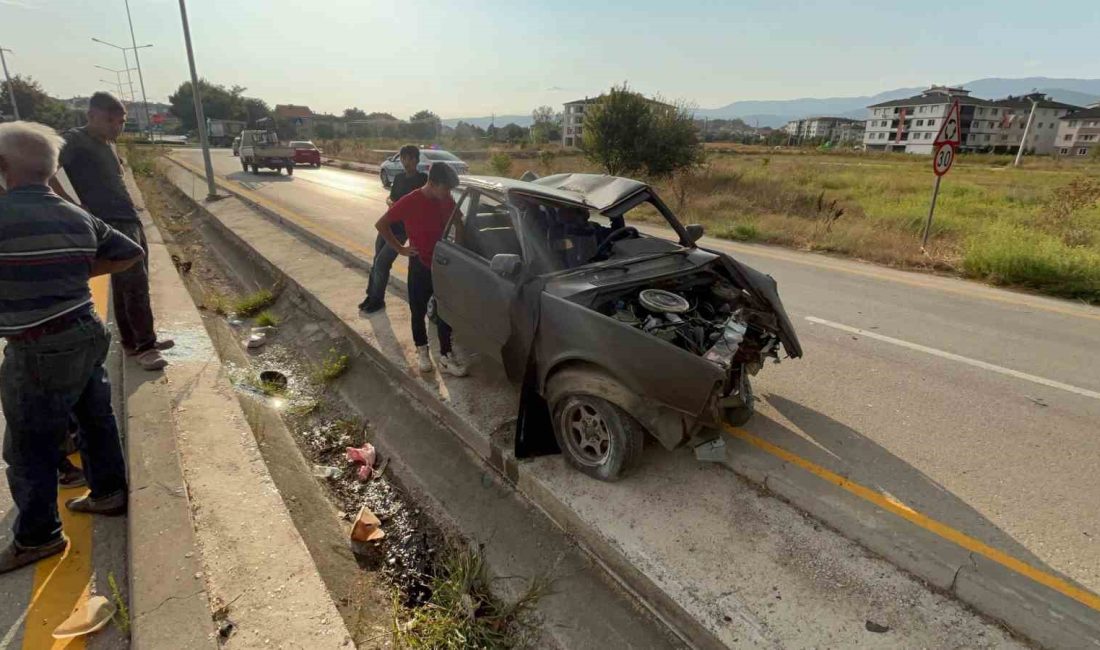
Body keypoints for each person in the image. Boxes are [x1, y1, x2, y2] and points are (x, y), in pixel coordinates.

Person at [0, 121, 140, 573]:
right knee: (95, 419)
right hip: (85, 330)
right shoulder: (76, 214)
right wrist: (77, 273)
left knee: (29, 447)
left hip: (38, 344)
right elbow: (129, 252)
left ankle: (38, 537)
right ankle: (109, 492)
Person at [49, 91, 173, 371]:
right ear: (91, 116)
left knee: (127, 284)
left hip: (128, 219)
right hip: (111, 223)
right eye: (109, 121)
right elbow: (47, 171)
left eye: (121, 122)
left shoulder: (106, 144)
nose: (116, 127)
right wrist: (73, 207)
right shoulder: (74, 140)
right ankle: (146, 347)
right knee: (135, 284)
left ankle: (133, 341)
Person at [375, 163, 467, 377]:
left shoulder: (446, 199)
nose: (448, 194)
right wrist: (401, 249)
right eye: (446, 189)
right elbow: (381, 224)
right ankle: (422, 351)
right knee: (418, 311)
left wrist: (457, 251)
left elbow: (459, 224)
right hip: (419, 264)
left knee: (444, 310)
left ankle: (446, 356)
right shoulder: (411, 200)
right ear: (432, 183)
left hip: (442, 264)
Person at [359, 144, 426, 314]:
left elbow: (422, 204)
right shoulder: (399, 178)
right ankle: (371, 295)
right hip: (387, 225)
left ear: (417, 160)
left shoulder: (422, 180)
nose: (406, 161)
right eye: (403, 158)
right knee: (376, 262)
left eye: (410, 158)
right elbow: (391, 197)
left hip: (402, 230)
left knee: (382, 263)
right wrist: (390, 202)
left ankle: (377, 300)